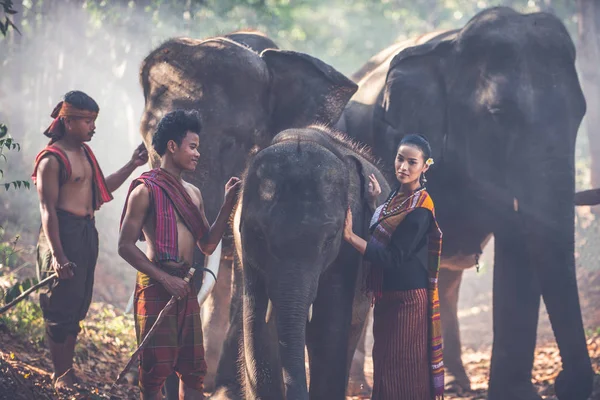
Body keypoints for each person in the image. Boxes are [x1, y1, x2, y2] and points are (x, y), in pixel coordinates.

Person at [118, 109, 241, 400]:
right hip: (156, 285)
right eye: (193, 147)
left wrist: (227, 204)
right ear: (172, 147)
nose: (197, 154)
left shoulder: (193, 193)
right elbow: (124, 245)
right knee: (154, 372)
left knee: (193, 369)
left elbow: (207, 245)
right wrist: (163, 277)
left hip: (185, 286)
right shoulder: (145, 190)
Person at [32, 90, 149, 389]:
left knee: (78, 303)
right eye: (86, 121)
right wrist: (58, 256)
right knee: (59, 303)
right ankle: (61, 375)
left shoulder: (85, 154)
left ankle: (66, 371)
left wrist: (132, 164)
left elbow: (99, 192)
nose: (92, 127)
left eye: (94, 121)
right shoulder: (52, 160)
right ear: (68, 121)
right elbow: (48, 212)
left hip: (85, 233)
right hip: (61, 234)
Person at [343, 134, 444, 400]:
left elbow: (392, 257)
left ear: (425, 167)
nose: (403, 167)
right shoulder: (396, 197)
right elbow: (383, 232)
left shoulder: (421, 208)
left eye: (412, 162)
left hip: (408, 299)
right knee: (385, 365)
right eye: (400, 159)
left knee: (402, 371)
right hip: (389, 296)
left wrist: (352, 237)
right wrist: (374, 202)